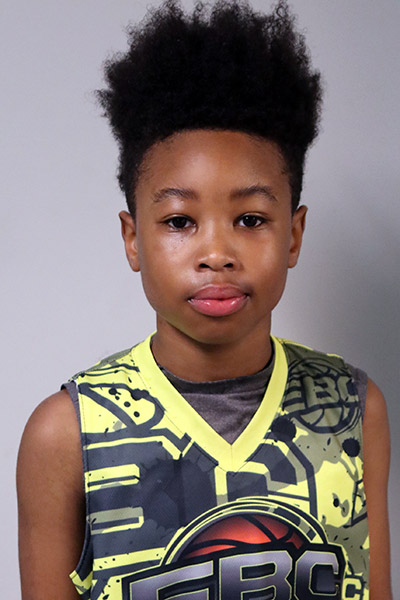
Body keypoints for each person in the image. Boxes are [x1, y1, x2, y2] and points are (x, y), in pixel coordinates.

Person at [17, 1, 392, 598]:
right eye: (179, 221)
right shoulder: (65, 435)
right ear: (132, 238)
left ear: (294, 235)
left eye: (250, 219)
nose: (216, 253)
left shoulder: (352, 409)